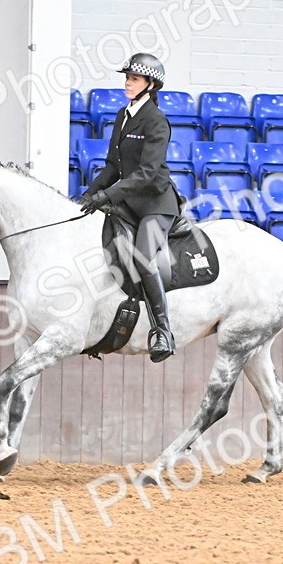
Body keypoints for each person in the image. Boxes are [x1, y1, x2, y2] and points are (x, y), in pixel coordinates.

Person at [78, 52, 181, 362]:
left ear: (150, 85)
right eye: (127, 78)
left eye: (134, 79)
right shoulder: (123, 115)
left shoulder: (156, 120)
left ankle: (162, 331)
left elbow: (147, 173)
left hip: (155, 204)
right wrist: (88, 195)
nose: (127, 82)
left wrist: (107, 196)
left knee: (143, 257)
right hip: (128, 201)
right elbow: (113, 166)